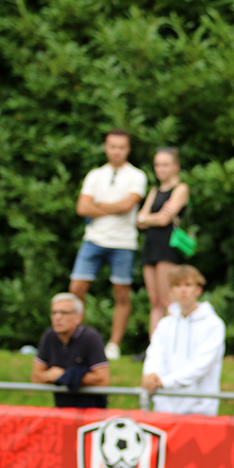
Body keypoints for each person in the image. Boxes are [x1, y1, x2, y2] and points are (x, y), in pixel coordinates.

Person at [68, 128, 148, 361]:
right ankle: (77, 337)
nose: (116, 151)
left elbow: (127, 205)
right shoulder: (95, 175)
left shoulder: (137, 176)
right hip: (93, 239)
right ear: (106, 147)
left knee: (121, 293)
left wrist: (99, 206)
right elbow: (82, 208)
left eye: (121, 147)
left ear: (128, 149)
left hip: (123, 243)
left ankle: (113, 344)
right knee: (76, 290)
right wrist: (114, 206)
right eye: (112, 147)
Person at [141, 266, 225, 416]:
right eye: (177, 285)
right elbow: (154, 354)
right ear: (172, 291)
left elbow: (202, 365)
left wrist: (165, 382)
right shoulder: (165, 324)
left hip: (200, 410)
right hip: (165, 408)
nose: (183, 290)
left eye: (188, 285)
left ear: (198, 290)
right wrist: (150, 374)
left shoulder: (213, 324)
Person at [137, 147, 190, 337]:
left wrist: (147, 218)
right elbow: (139, 219)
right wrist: (152, 218)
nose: (160, 169)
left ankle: (171, 342)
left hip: (167, 246)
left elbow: (162, 220)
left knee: (167, 298)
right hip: (151, 245)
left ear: (175, 166)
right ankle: (154, 347)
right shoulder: (154, 190)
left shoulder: (181, 189)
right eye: (157, 165)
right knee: (155, 300)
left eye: (165, 165)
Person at [31, 293, 109, 408]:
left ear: (78, 317)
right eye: (54, 313)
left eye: (64, 313)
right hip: (63, 410)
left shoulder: (91, 337)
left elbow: (103, 380)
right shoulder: (49, 336)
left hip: (91, 411)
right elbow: (36, 377)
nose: (57, 317)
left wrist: (64, 376)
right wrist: (70, 377)